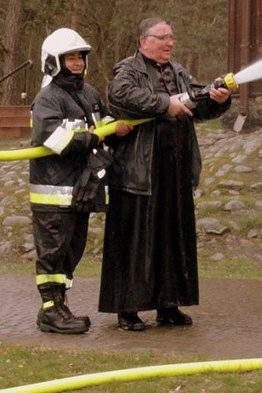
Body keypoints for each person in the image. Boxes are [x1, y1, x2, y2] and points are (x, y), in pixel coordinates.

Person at [98, 17, 231, 331]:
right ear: (144, 42)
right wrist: (163, 104)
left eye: (172, 37)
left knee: (173, 238)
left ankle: (168, 305)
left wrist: (216, 98)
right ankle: (127, 308)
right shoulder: (127, 70)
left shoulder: (178, 71)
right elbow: (122, 96)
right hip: (138, 173)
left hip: (175, 170)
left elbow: (195, 105)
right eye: (162, 37)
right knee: (135, 241)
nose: (170, 43)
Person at [29, 28, 131, 334]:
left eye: (79, 57)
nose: (76, 63)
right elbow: (52, 138)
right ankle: (50, 310)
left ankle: (59, 306)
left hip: (81, 190)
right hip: (53, 193)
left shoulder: (88, 93)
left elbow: (102, 122)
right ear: (52, 62)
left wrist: (116, 127)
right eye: (70, 57)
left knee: (72, 252)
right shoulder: (47, 99)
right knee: (52, 254)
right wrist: (95, 136)